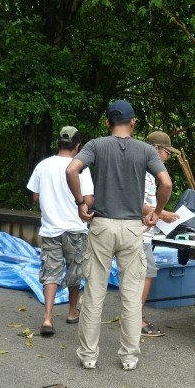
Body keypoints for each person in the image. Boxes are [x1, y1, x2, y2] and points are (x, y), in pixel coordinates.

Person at [65, 100, 172, 370]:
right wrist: (157, 212)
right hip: (132, 229)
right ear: (133, 122)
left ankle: (89, 356)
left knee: (95, 293)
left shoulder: (96, 145)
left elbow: (71, 169)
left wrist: (81, 202)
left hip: (102, 226)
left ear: (107, 122)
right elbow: (166, 183)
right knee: (131, 294)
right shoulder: (146, 150)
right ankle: (129, 357)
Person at [26, 126, 94, 337]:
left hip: (50, 229)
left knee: (50, 272)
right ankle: (72, 312)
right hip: (75, 228)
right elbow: (89, 200)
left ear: (59, 144)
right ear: (77, 146)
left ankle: (47, 317)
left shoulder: (42, 166)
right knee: (76, 271)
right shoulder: (81, 168)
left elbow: (35, 197)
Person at [140, 130, 181, 337]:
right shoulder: (142, 170)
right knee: (147, 274)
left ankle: (134, 317)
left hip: (144, 232)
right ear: (155, 149)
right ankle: (136, 320)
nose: (168, 157)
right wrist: (161, 214)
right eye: (167, 152)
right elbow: (137, 203)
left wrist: (161, 214)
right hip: (139, 233)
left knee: (143, 275)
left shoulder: (148, 172)